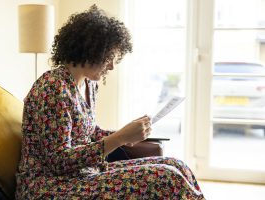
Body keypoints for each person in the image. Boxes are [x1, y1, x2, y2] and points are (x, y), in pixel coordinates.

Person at [15, 5, 205, 200]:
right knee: (167, 178)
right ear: (89, 51)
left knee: (176, 165)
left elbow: (90, 133)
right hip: (50, 186)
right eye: (109, 58)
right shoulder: (52, 89)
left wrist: (127, 133)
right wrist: (119, 138)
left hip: (84, 175)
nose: (112, 66)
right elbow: (58, 161)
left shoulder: (87, 84)